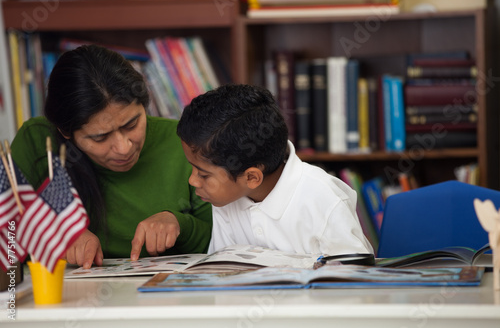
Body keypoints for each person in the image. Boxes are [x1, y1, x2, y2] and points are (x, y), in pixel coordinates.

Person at [11, 45, 212, 269]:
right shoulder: (38, 142)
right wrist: (56, 234)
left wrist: (180, 224)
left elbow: (226, 244)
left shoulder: (184, 141)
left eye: (132, 124)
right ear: (66, 132)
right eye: (100, 137)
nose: (123, 147)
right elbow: (8, 236)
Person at [177, 84, 373, 256]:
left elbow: (354, 279)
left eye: (203, 174)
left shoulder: (323, 199)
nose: (192, 181)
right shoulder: (226, 197)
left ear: (252, 177)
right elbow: (224, 272)